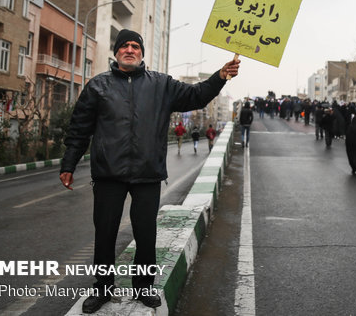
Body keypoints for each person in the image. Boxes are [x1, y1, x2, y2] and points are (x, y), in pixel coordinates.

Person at [59, 29, 239, 314]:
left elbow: (196, 96)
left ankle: (144, 287)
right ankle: (103, 287)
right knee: (104, 234)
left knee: (146, 235)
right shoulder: (97, 86)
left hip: (147, 174)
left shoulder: (161, 85)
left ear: (141, 53)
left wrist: (220, 76)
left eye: (135, 46)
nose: (130, 50)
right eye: (124, 46)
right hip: (108, 174)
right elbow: (79, 129)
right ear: (116, 52)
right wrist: (68, 164)